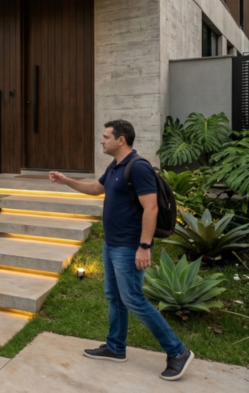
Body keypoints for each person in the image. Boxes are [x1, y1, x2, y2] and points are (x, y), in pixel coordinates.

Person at [49, 119, 194, 381]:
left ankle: (178, 351)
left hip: (129, 246)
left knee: (133, 299)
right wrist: (65, 180)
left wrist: (144, 246)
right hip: (112, 244)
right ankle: (115, 347)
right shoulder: (116, 166)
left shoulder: (138, 168)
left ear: (121, 140)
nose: (102, 141)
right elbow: (96, 188)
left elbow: (151, 208)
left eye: (105, 137)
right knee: (114, 296)